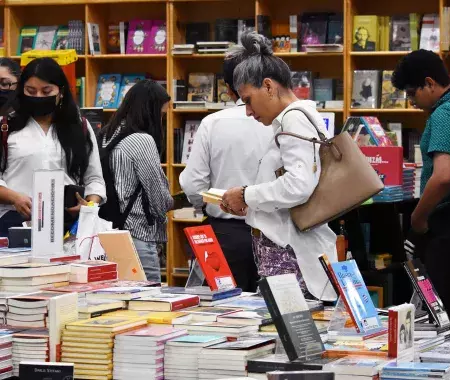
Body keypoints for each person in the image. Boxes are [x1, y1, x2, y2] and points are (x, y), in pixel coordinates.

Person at [221, 32, 337, 301]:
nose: (248, 111)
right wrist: (248, 203)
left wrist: (246, 194)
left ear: (269, 86)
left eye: (248, 99)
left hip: (291, 255)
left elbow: (298, 186)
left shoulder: (293, 121)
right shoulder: (294, 119)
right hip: (287, 250)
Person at [179, 52, 272, 292]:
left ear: (230, 89)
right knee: (274, 314)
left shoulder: (213, 123)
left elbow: (192, 184)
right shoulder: (279, 120)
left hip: (226, 234)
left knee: (225, 314)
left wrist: (204, 203)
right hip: (275, 234)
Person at [0, 57, 105, 236]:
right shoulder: (6, 127)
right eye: (31, 91)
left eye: (46, 91)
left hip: (65, 225)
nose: (38, 97)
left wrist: (89, 204)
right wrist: (14, 197)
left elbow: (95, 179)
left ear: (60, 92)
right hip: (14, 222)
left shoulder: (80, 127)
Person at [392, 49, 450, 323]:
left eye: (412, 93)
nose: (412, 102)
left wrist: (418, 219)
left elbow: (443, 176)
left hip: (448, 229)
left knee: (446, 317)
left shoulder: (445, 113)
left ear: (430, 83)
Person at [100, 79, 173, 282]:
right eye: (161, 114)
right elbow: (159, 200)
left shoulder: (105, 135)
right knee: (149, 305)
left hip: (107, 236)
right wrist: (174, 202)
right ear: (151, 111)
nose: (162, 120)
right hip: (137, 237)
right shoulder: (142, 140)